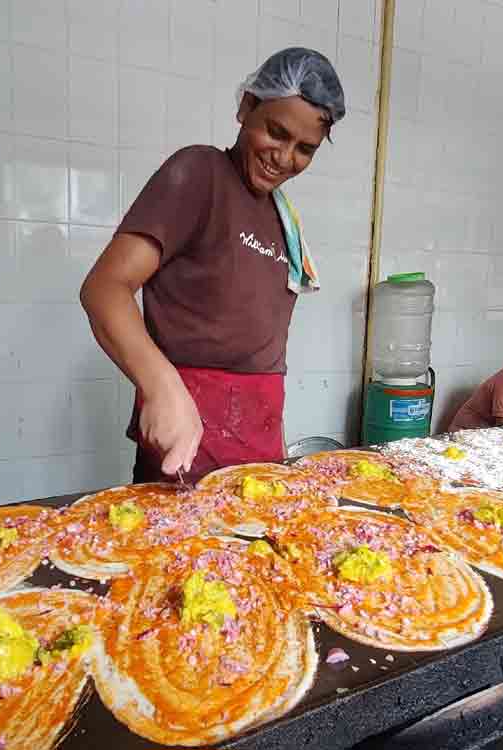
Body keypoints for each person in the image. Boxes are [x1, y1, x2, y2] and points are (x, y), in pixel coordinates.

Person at [80, 48, 345, 483]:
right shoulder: (200, 174)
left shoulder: (282, 216)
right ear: (246, 108)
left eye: (304, 149)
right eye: (276, 132)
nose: (284, 157)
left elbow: (264, 352)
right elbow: (104, 288)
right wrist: (160, 385)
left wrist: (276, 443)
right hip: (190, 452)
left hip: (259, 458)